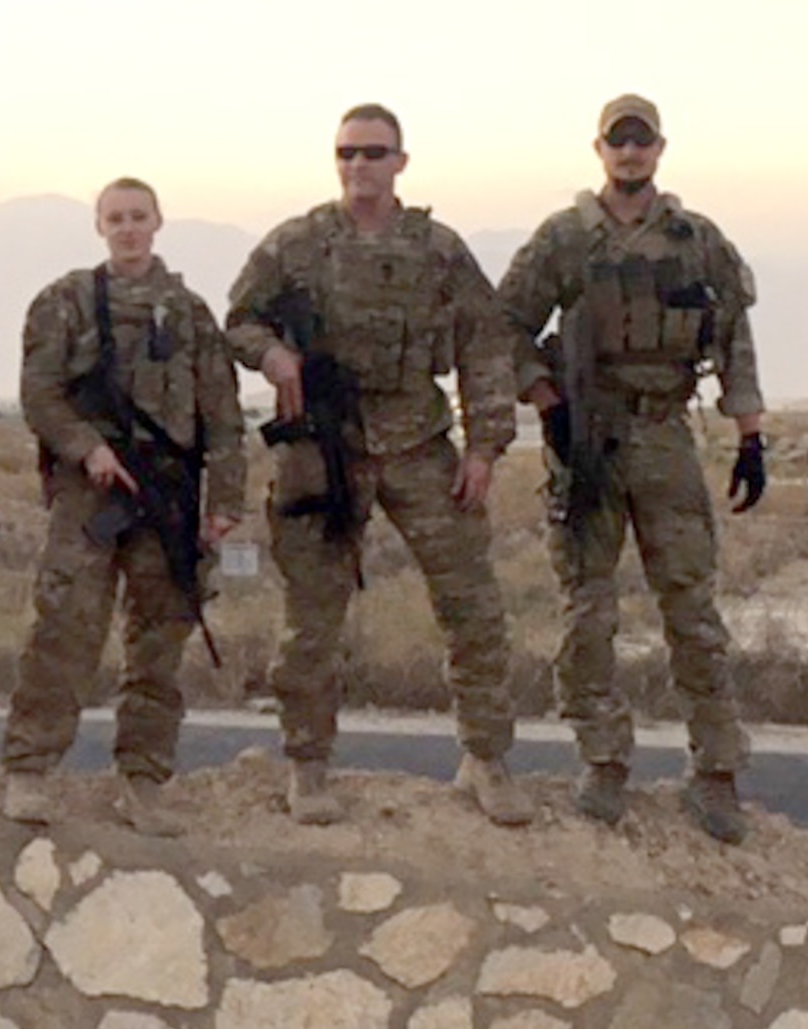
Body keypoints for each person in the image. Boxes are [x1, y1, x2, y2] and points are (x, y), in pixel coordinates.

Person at [225, 103, 533, 827]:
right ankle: (308, 766)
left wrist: (485, 445)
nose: (359, 165)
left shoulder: (439, 250)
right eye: (348, 152)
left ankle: (485, 759)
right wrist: (271, 353)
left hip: (420, 443)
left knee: (473, 607)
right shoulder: (297, 244)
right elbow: (239, 318)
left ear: (401, 161)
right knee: (313, 617)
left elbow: (484, 346)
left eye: (375, 152)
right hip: (326, 447)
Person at [497, 94, 767, 844]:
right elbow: (507, 324)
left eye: (641, 141)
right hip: (587, 438)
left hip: (664, 438)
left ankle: (715, 772)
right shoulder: (564, 240)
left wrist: (751, 436)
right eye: (619, 141)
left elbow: (736, 339)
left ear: (659, 149)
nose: (630, 153)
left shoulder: (695, 241)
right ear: (599, 149)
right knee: (588, 610)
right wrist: (545, 399)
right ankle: (603, 760)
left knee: (692, 610)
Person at [0, 178, 246, 835]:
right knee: (65, 628)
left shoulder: (189, 313)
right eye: (116, 218)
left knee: (159, 640)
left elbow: (222, 414)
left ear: (158, 221)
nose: (128, 229)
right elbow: (40, 394)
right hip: (94, 491)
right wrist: (88, 448)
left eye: (138, 217)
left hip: (167, 492)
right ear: (99, 226)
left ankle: (143, 780)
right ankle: (29, 769)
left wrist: (223, 500)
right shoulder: (66, 303)